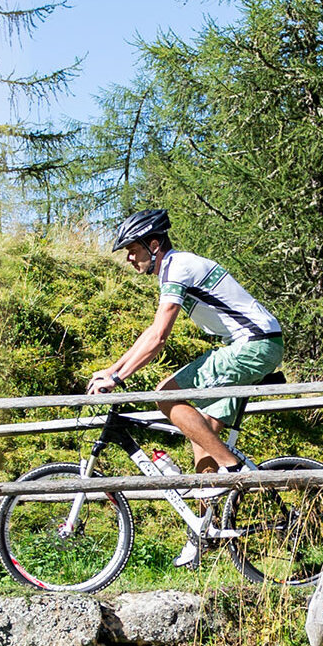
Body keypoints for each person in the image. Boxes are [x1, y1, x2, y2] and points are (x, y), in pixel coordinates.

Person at [86, 210, 284, 558]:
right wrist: (112, 370)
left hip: (253, 345)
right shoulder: (174, 268)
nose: (129, 258)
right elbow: (151, 333)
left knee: (167, 396)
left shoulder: (177, 267)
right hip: (253, 345)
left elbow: (159, 336)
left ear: (154, 243)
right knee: (202, 433)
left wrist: (117, 378)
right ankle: (204, 533)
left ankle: (234, 470)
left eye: (132, 249)